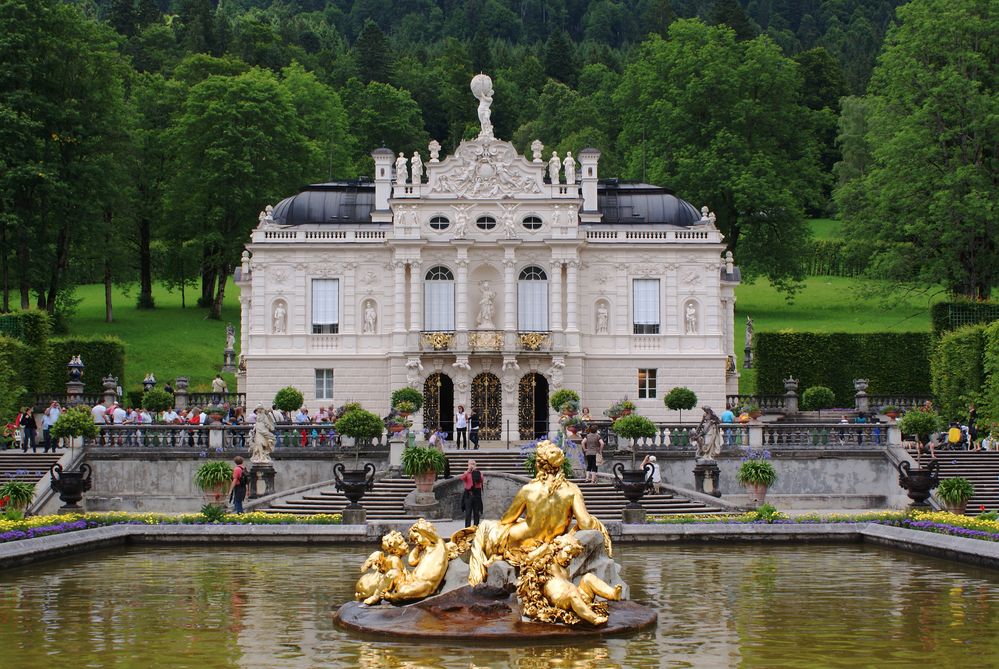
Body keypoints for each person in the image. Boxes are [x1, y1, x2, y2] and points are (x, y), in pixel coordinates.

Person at [459, 459, 484, 527]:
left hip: (476, 495)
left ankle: (476, 528)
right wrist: (467, 471)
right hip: (468, 495)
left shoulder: (479, 472)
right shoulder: (466, 473)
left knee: (476, 513)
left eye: (473, 464)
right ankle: (467, 528)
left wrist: (476, 472)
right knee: (468, 513)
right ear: (468, 465)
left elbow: (481, 480)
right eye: (470, 464)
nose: (472, 465)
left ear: (475, 465)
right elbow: (462, 478)